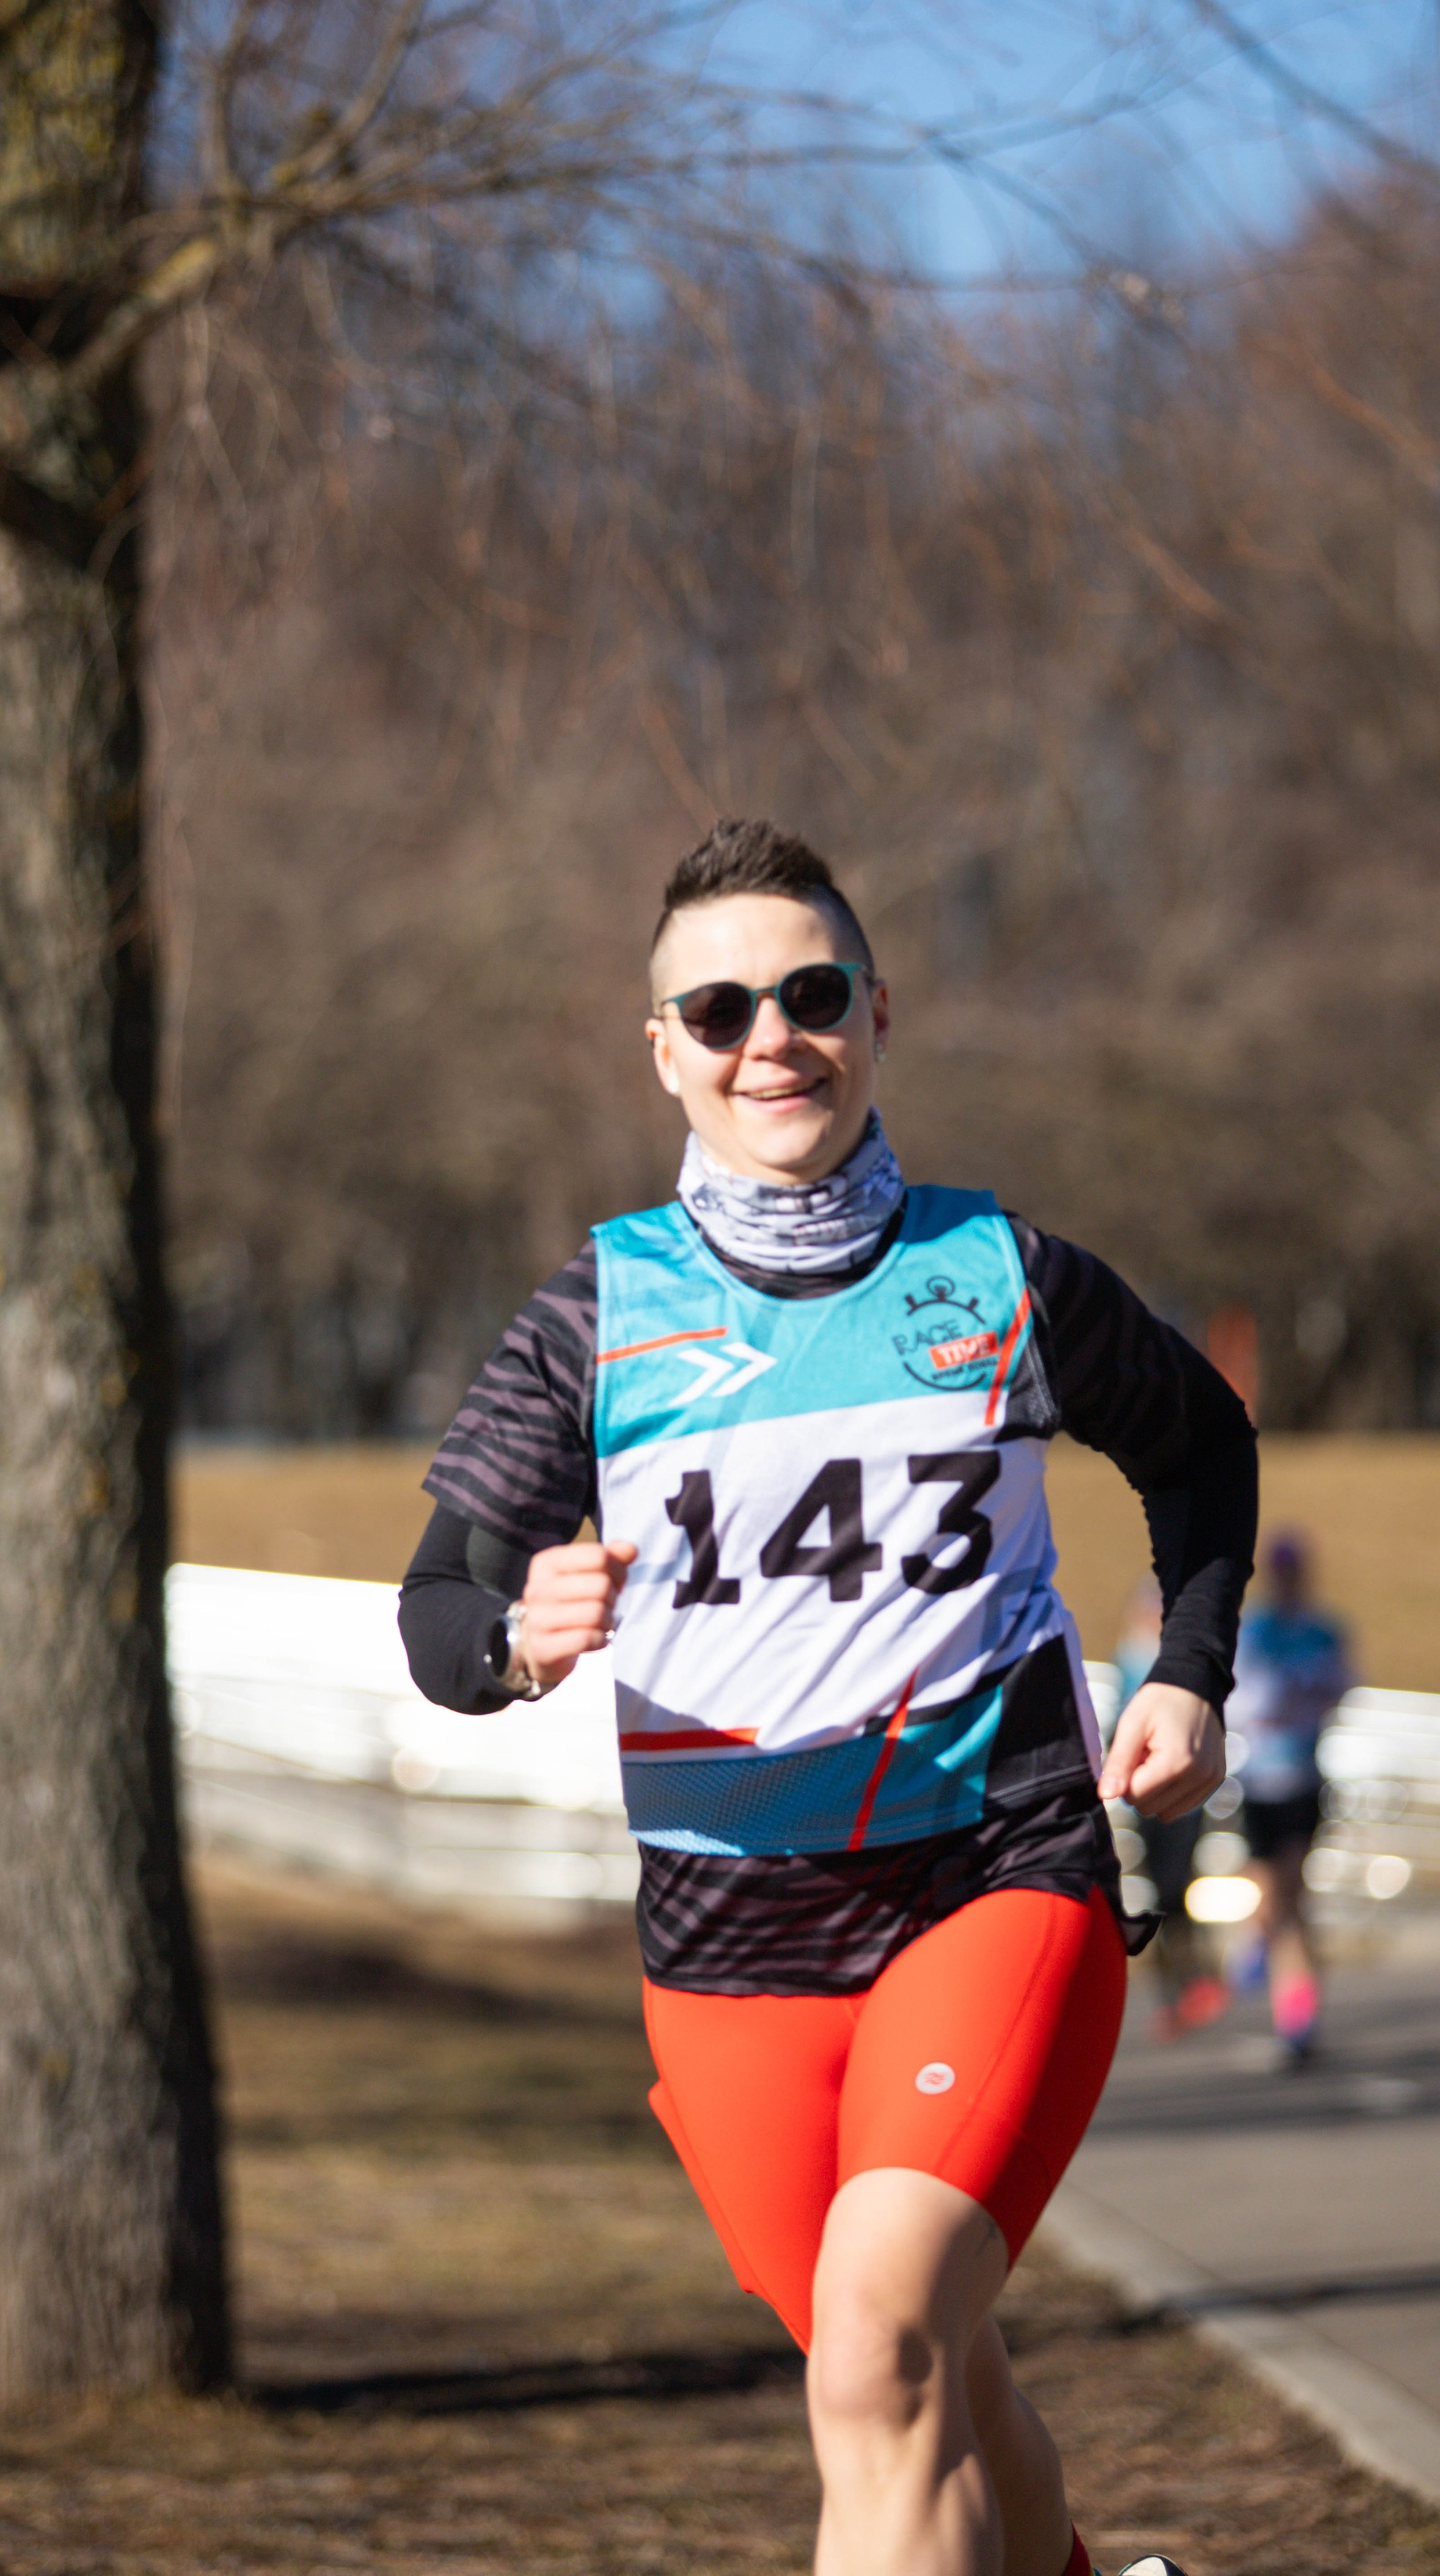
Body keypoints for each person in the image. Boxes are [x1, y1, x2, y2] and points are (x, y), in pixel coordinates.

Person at [399, 819, 1258, 2576]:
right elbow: (439, 1609)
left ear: (876, 1011)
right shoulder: (591, 1318)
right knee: (928, 2374)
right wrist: (514, 1642)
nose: (767, 1038)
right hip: (726, 1952)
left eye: (808, 993)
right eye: (717, 1010)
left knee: (876, 2357)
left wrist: (1184, 1672)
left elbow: (1197, 1447)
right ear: (662, 1051)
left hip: (991, 1879)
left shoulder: (999, 1274)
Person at [1224, 1532, 1352, 2066]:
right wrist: (1273, 1702)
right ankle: (1260, 1958)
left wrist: (1300, 1698)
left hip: (1302, 1780)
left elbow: (1340, 1689)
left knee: (1291, 1900)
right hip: (1258, 1783)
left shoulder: (1324, 1630)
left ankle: (1298, 2018)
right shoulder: (1253, 1629)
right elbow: (1236, 1699)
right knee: (1272, 1899)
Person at [1111, 1577, 1227, 2042]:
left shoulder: (1178, 1658)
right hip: (1144, 1792)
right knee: (1159, 1895)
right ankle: (1175, 1993)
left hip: (1182, 1792)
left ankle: (1198, 1980)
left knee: (1177, 1888)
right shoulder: (1128, 1656)